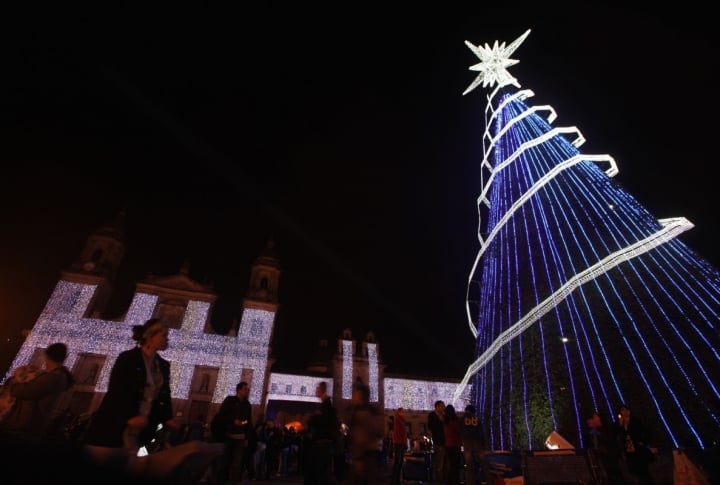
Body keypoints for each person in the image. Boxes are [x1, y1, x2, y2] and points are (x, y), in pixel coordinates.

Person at [0, 342, 74, 440]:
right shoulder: (57, 376)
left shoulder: (53, 377)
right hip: (32, 423)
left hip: (28, 423)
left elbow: (25, 392)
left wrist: (13, 382)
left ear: (48, 356)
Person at [345, 379, 384, 485]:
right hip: (369, 457)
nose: (352, 396)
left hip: (364, 458)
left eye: (354, 394)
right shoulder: (371, 411)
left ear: (360, 395)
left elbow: (361, 438)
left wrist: (358, 459)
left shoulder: (362, 413)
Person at [213, 381, 253, 485]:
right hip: (228, 435)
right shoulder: (229, 400)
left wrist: (247, 437)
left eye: (248, 390)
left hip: (240, 438)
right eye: (245, 389)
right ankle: (220, 481)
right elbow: (221, 415)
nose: (247, 391)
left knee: (237, 464)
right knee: (224, 462)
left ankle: (233, 482)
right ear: (239, 390)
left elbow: (249, 421)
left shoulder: (247, 405)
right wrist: (233, 421)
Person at [304, 381, 339, 485]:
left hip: (322, 445)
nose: (316, 390)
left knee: (320, 473)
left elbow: (325, 421)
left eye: (317, 388)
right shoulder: (324, 405)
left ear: (322, 389)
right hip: (321, 445)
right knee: (321, 474)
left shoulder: (326, 405)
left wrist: (312, 419)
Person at [616, 404, 655, 485]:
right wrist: (620, 425)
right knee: (635, 468)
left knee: (643, 469)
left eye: (626, 410)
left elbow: (644, 431)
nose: (624, 412)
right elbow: (619, 434)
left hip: (637, 446)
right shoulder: (621, 422)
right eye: (622, 410)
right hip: (628, 447)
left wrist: (643, 442)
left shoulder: (635, 420)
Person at [586, 411, 623, 485]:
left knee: (615, 476)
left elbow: (611, 440)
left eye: (595, 417)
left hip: (612, 457)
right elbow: (592, 443)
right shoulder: (594, 431)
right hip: (602, 459)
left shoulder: (608, 428)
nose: (593, 419)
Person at [461, 404, 487, 485]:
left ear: (467, 410)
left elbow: (460, 429)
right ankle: (490, 481)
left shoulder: (463, 418)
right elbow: (482, 431)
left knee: (469, 464)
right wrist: (483, 443)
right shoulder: (477, 418)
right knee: (484, 462)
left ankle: (470, 483)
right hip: (477, 441)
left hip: (467, 442)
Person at [428, 400, 446, 485]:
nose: (444, 408)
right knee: (438, 464)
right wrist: (440, 420)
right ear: (437, 406)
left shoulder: (444, 416)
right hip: (438, 442)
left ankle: (442, 479)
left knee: (443, 464)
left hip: (445, 442)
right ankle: (438, 481)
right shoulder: (432, 415)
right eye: (442, 406)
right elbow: (431, 426)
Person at [443, 404, 462, 485]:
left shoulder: (445, 422)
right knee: (456, 465)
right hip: (456, 445)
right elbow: (459, 432)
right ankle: (455, 481)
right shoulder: (456, 421)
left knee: (450, 465)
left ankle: (449, 482)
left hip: (448, 445)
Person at [390, 407, 408, 485]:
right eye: (402, 412)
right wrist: (403, 443)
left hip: (401, 444)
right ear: (399, 412)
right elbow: (398, 433)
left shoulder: (401, 421)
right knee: (397, 463)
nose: (404, 413)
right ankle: (394, 481)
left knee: (399, 463)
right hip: (399, 444)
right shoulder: (398, 420)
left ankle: (396, 480)